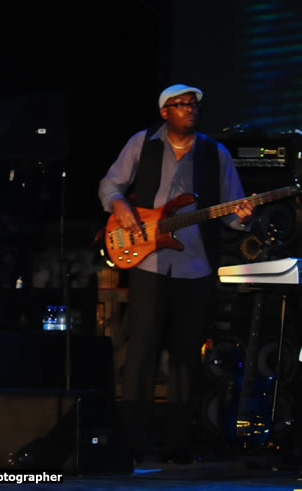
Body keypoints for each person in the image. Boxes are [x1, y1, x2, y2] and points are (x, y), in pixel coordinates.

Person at [98, 84, 252, 464]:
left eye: (194, 104)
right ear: (165, 112)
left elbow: (232, 213)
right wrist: (120, 206)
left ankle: (177, 443)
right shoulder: (143, 142)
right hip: (148, 260)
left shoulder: (215, 153)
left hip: (195, 265)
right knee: (142, 351)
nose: (190, 109)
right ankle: (133, 441)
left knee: (186, 355)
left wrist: (243, 216)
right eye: (181, 104)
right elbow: (110, 183)